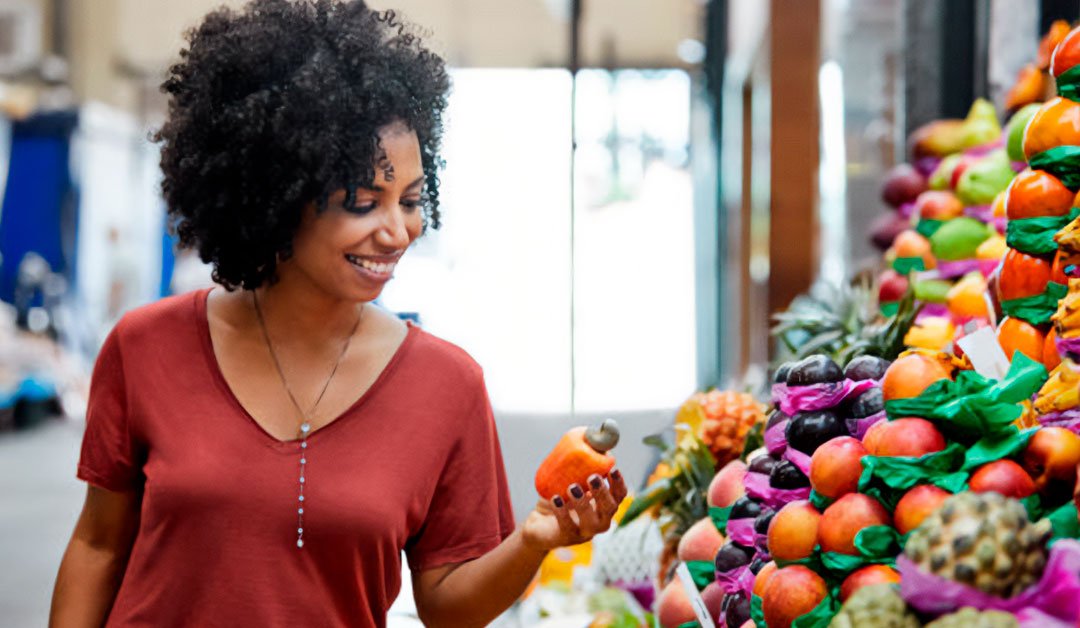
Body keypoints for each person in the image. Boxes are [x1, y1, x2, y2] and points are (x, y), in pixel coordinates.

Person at [48, 1, 627, 626]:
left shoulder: (447, 387)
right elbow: (99, 543)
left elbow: (445, 608)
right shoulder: (145, 347)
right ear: (276, 193)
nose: (397, 231)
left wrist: (532, 542)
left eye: (409, 200)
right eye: (362, 201)